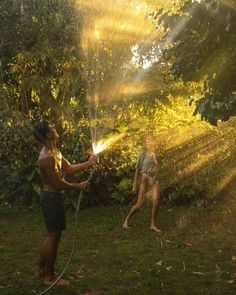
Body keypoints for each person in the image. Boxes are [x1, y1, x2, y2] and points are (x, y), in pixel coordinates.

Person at [33, 120, 97, 286]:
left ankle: (41, 268)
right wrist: (77, 185)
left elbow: (68, 169)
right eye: (52, 127)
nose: (55, 128)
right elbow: (57, 184)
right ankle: (50, 277)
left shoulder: (55, 151)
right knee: (54, 238)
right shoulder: (46, 157)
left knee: (52, 237)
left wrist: (88, 164)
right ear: (48, 135)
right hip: (51, 199)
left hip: (54, 199)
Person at [123, 136, 161, 232]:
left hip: (154, 178)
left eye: (151, 140)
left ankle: (152, 225)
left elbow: (156, 167)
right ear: (145, 143)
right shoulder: (142, 154)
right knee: (139, 204)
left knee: (156, 202)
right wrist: (135, 184)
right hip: (145, 178)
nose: (150, 142)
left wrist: (155, 174)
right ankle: (126, 221)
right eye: (148, 141)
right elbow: (137, 169)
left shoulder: (154, 153)